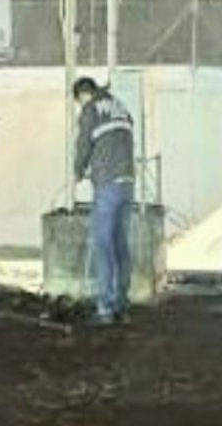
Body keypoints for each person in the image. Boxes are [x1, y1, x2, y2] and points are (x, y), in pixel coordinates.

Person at [73, 75, 135, 324]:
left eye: (79, 101)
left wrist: (78, 171)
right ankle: (122, 304)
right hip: (127, 183)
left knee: (103, 245)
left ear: (83, 95)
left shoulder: (90, 109)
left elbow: (83, 144)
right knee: (121, 245)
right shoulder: (121, 107)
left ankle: (105, 308)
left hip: (107, 183)